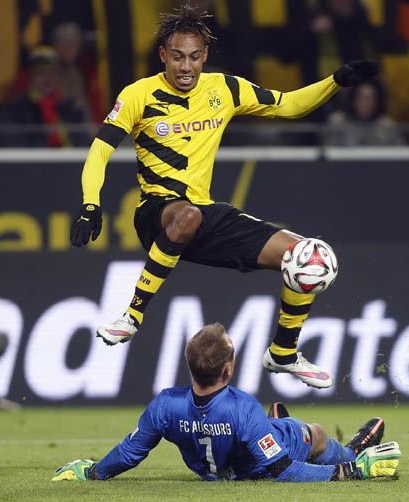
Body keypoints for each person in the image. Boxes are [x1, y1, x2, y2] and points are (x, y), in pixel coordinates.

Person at [69, 2, 379, 389]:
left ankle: (283, 352)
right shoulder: (138, 95)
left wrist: (337, 79)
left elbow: (288, 105)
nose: (186, 67)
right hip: (158, 213)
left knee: (312, 256)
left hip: (205, 212)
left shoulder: (225, 88)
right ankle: (131, 316)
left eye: (194, 57)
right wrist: (90, 204)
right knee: (188, 217)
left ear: (205, 56)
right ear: (163, 55)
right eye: (177, 57)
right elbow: (100, 150)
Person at [51, 323, 401, 482]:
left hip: (213, 472)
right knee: (315, 434)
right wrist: (351, 472)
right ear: (229, 370)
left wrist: (92, 472)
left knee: (268, 428)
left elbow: (130, 453)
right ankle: (354, 451)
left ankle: (272, 424)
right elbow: (284, 471)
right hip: (261, 462)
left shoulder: (165, 405)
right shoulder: (241, 406)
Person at [0, 46, 90, 147]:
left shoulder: (71, 109)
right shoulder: (14, 110)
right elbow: (13, 146)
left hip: (69, 162)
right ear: (31, 77)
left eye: (52, 73)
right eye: (41, 72)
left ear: (59, 78)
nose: (47, 78)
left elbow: (83, 145)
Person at [324, 80, 405, 146]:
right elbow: (329, 153)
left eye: (371, 98)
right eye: (362, 97)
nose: (367, 103)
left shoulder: (387, 126)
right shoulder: (337, 122)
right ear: (353, 99)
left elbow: (401, 155)